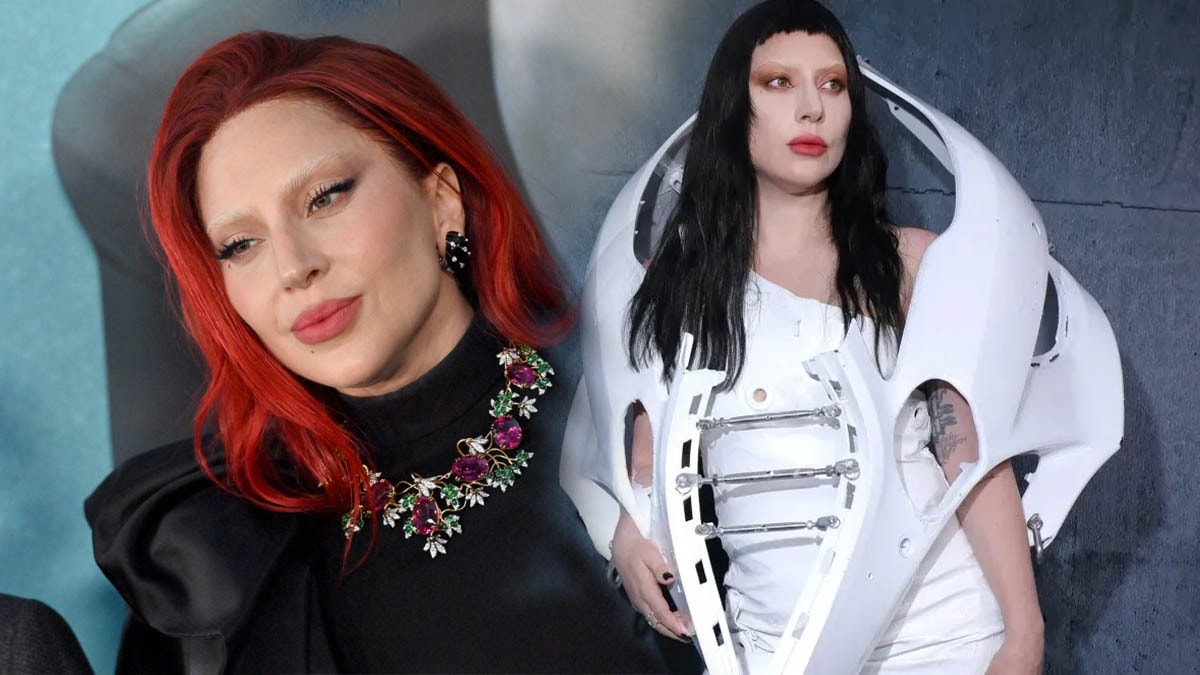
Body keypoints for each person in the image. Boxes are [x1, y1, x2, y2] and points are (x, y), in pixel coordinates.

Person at [85, 31, 668, 673]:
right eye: (241, 245)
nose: (294, 267)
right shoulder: (212, 561)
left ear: (441, 201)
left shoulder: (649, 422)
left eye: (325, 197)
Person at [609, 1, 1045, 672]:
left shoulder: (909, 265)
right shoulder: (677, 283)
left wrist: (1023, 631)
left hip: (945, 638)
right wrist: (630, 536)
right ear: (733, 104)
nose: (811, 108)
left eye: (833, 85)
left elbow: (969, 455)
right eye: (779, 82)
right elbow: (649, 459)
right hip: (769, 648)